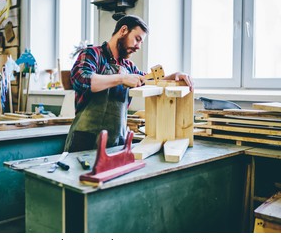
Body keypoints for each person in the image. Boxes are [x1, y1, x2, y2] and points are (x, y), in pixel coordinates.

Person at [64, 15, 193, 153]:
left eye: (141, 42)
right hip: (85, 140)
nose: (138, 47)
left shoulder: (129, 67)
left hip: (115, 142)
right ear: (123, 30)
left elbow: (148, 81)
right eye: (137, 39)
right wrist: (121, 79)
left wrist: (174, 76)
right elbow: (82, 79)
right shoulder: (92, 54)